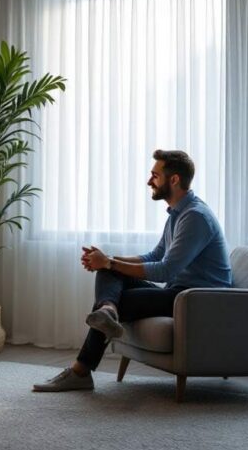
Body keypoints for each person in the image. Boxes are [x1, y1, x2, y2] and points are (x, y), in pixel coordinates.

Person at [33, 149, 232, 392]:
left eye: (155, 175)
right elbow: (155, 255)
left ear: (174, 179)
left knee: (114, 280)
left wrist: (108, 262)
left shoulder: (195, 217)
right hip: (179, 293)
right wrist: (108, 261)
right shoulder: (178, 214)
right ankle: (107, 311)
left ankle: (81, 370)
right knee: (109, 273)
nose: (150, 181)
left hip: (197, 299)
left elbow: (165, 270)